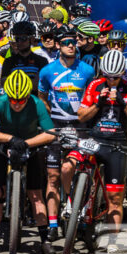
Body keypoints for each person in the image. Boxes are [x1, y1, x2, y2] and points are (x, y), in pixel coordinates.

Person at [73, 50, 127, 253]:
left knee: (115, 198)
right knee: (79, 173)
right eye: (108, 76)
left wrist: (123, 103)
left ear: (122, 73)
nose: (111, 81)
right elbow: (81, 116)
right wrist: (98, 104)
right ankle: (76, 212)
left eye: (115, 77)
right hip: (96, 140)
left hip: (118, 144)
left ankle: (112, 240)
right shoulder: (96, 85)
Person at [0, 70, 56, 254]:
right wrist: (10, 139)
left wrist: (27, 144)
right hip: (6, 144)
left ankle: (45, 240)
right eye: (13, 99)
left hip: (30, 146)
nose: (16, 104)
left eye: (21, 100)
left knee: (36, 194)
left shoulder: (37, 104)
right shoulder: (1, 101)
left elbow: (51, 132)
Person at [37, 29, 95, 240]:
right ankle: (53, 225)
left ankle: (72, 206)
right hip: (56, 126)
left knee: (69, 168)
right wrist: (47, 120)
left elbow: (92, 96)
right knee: (52, 176)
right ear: (58, 46)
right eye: (66, 42)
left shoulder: (87, 70)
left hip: (80, 127)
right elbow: (41, 95)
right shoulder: (47, 71)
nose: (71, 45)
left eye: (74, 42)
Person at [0, 21, 48, 95]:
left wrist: (14, 82)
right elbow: (4, 83)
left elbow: (38, 85)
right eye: (17, 39)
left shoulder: (42, 61)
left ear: (31, 39)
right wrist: (30, 82)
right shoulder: (9, 61)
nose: (19, 42)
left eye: (23, 38)